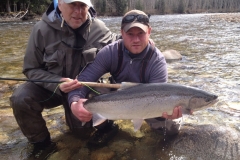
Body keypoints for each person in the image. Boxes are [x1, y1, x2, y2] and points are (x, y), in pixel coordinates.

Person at [10, 0, 119, 159]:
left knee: (81, 134)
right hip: (51, 88)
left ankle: (107, 127)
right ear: (60, 4)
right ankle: (42, 145)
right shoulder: (41, 30)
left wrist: (145, 42)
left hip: (84, 89)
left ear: (89, 7)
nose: (78, 11)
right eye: (72, 5)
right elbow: (30, 69)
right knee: (21, 98)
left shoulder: (98, 28)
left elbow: (120, 44)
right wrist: (55, 82)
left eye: (82, 6)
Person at [68, 9, 183, 148]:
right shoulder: (110, 52)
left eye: (141, 33)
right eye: (130, 34)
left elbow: (159, 99)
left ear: (149, 32)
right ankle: (107, 128)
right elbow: (82, 82)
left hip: (147, 102)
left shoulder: (157, 61)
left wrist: (166, 113)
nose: (136, 40)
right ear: (122, 33)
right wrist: (74, 103)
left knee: (171, 128)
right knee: (89, 92)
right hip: (118, 98)